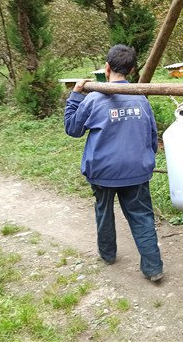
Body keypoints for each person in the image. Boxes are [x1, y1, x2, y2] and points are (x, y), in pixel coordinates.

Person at [64, 44, 164, 282]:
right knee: (141, 216)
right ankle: (153, 267)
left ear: (106, 68)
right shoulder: (140, 98)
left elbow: (72, 129)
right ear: (130, 69)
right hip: (136, 171)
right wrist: (146, 161)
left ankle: (108, 254)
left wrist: (76, 95)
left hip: (102, 171)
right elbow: (152, 136)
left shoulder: (93, 99)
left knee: (104, 211)